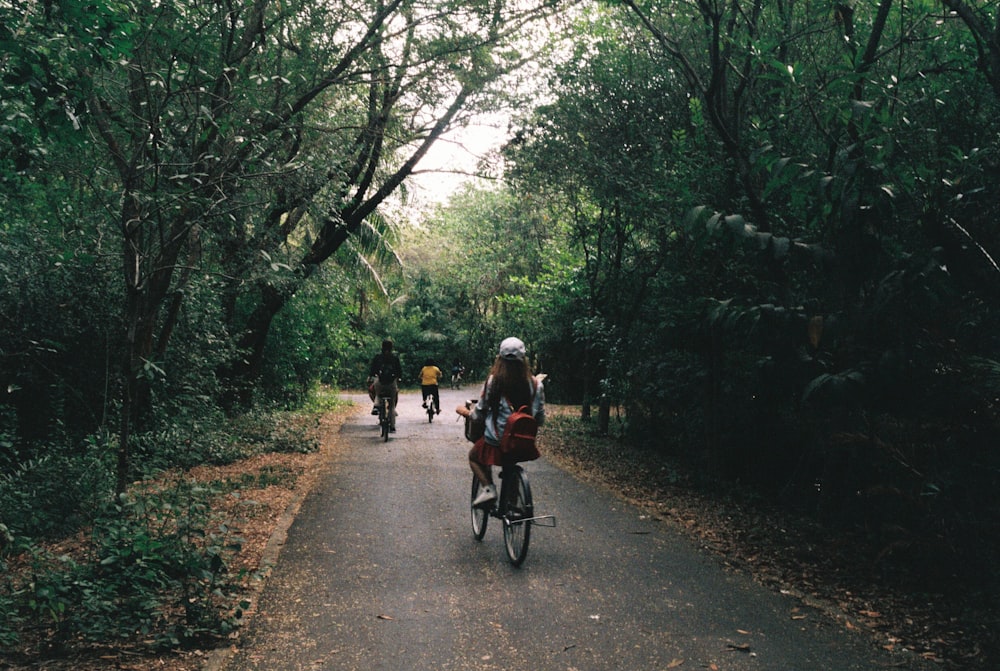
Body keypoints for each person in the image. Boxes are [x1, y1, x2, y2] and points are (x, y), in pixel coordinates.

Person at [455, 337, 545, 506]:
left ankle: (489, 488)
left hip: (496, 442)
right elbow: (539, 418)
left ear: (500, 359)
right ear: (524, 360)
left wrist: (466, 412)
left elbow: (479, 414)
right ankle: (512, 507)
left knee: (474, 457)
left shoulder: (494, 382)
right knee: (511, 462)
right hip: (523, 442)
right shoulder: (536, 384)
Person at [368, 339, 402, 432]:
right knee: (391, 404)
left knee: (378, 394)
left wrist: (370, 376)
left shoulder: (378, 357)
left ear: (382, 347)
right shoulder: (394, 358)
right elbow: (399, 371)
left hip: (380, 382)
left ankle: (376, 406)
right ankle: (392, 426)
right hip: (391, 383)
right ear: (391, 347)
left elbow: (373, 370)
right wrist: (398, 378)